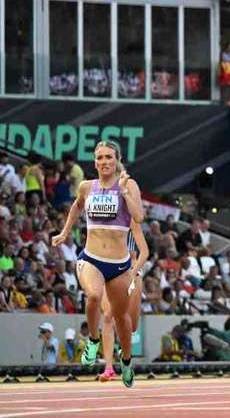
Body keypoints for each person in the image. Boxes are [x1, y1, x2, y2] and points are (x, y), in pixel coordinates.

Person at [52, 141, 145, 388]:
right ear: (95, 161)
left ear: (117, 160)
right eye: (99, 157)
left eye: (109, 157)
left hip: (119, 264)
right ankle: (93, 342)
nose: (104, 162)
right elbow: (76, 207)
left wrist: (124, 192)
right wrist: (64, 232)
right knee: (93, 296)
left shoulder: (129, 184)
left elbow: (139, 217)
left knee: (122, 319)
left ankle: (125, 362)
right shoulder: (86, 187)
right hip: (91, 258)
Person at [98, 224, 149, 382]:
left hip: (131, 269)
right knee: (107, 316)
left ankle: (125, 360)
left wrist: (134, 272)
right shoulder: (102, 222)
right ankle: (108, 368)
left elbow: (145, 252)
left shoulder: (133, 221)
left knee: (131, 325)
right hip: (110, 269)